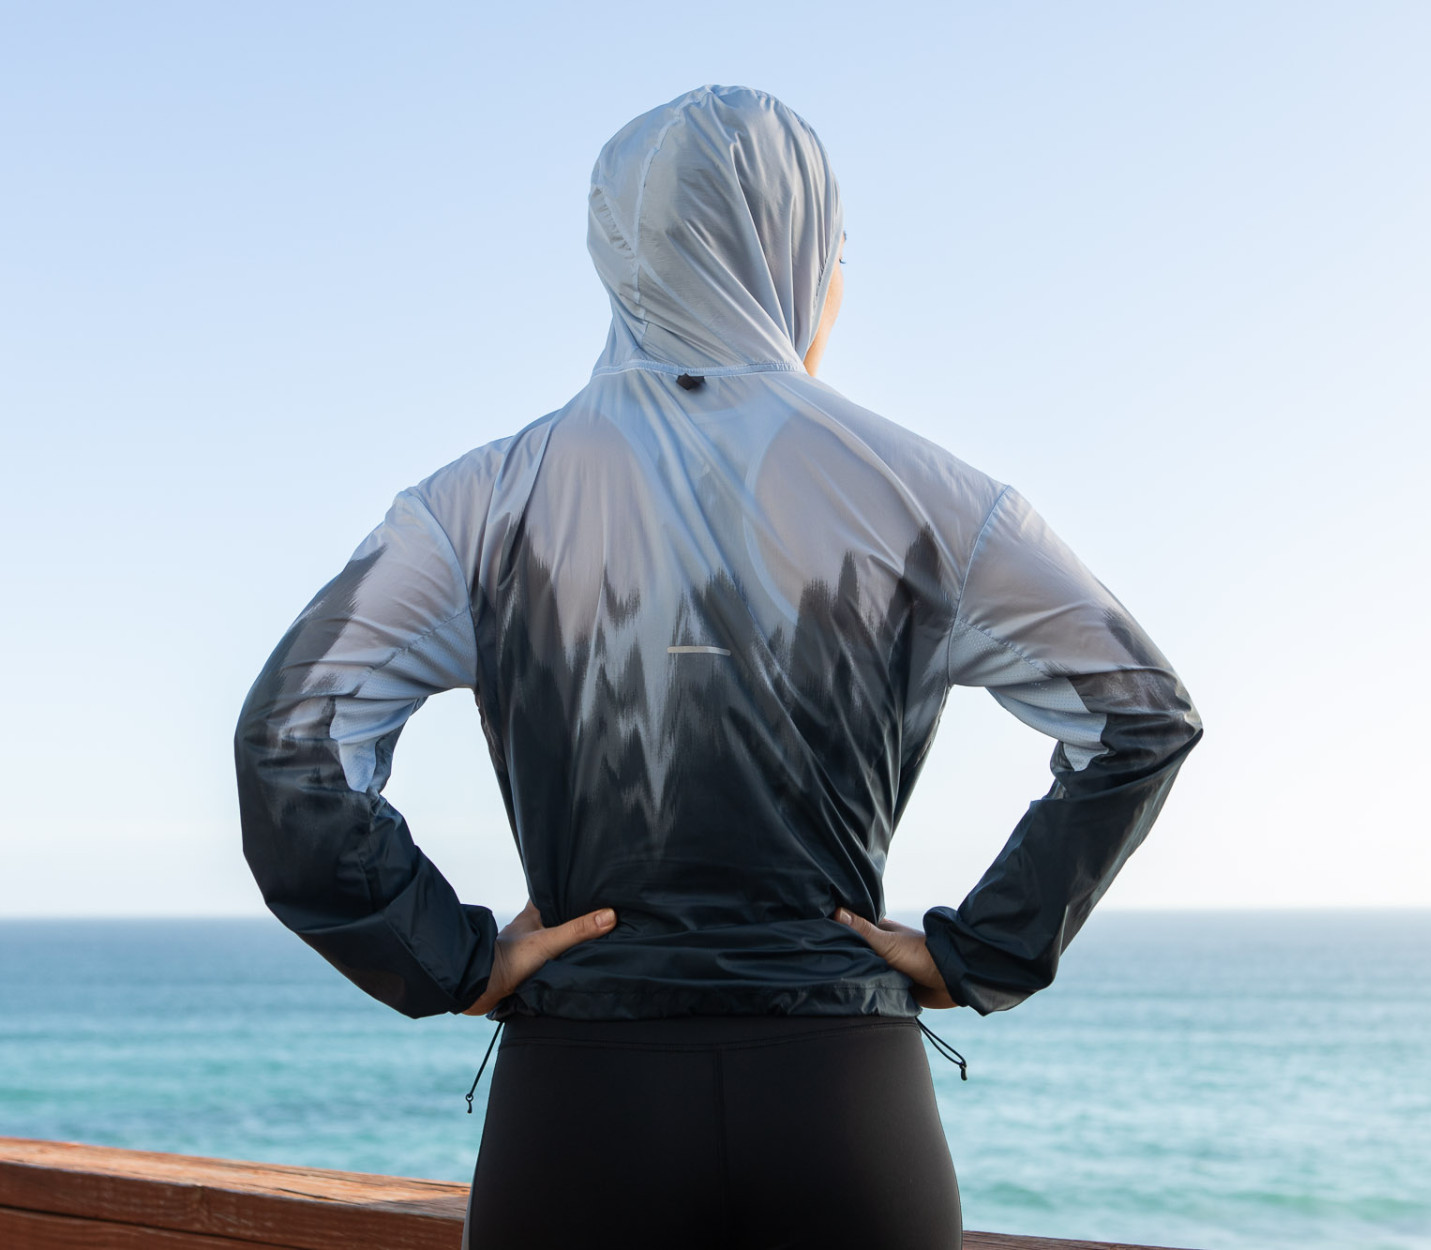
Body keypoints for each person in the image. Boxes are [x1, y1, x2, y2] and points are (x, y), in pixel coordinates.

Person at [234, 84, 1201, 1250]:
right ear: (798, 256)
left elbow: (290, 743)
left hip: (581, 1109)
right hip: (845, 1102)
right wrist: (976, 950)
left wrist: (455, 954)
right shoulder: (936, 501)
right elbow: (1139, 715)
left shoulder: (477, 504)